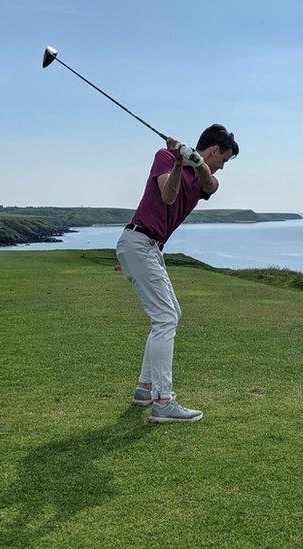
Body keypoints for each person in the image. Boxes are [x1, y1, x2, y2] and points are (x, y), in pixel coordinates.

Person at [116, 124, 238, 423]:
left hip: (151, 248)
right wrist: (181, 159)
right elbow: (168, 196)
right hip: (138, 241)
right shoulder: (165, 157)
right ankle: (163, 401)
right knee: (165, 318)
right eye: (224, 159)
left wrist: (195, 162)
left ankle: (145, 389)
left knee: (172, 314)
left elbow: (209, 183)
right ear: (213, 150)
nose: (223, 166)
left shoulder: (206, 180)